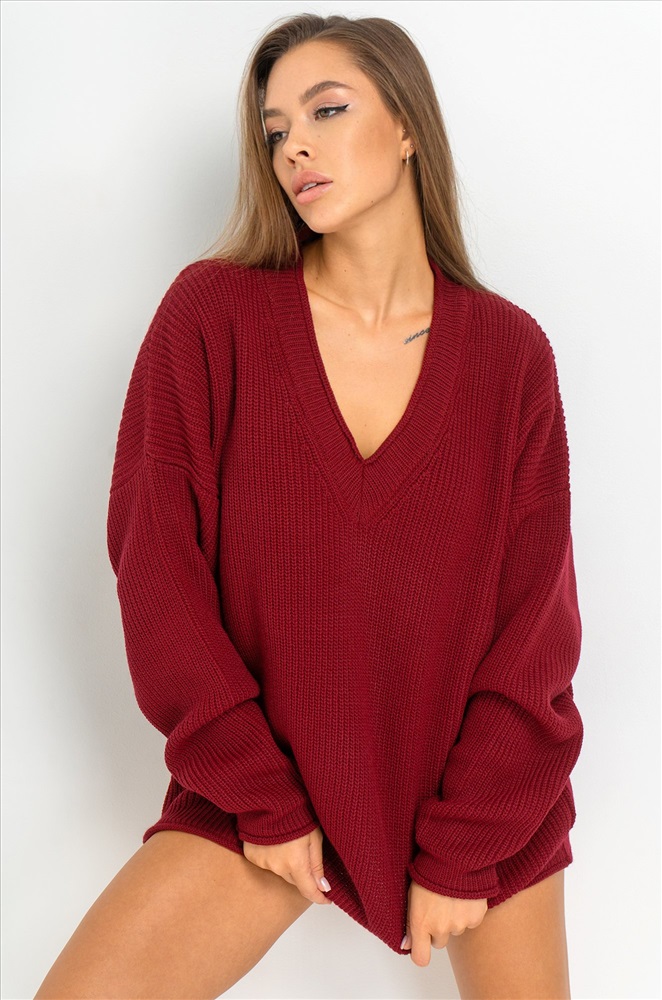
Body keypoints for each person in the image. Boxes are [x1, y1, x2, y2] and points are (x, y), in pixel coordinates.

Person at [35, 11, 584, 1000]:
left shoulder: (510, 356)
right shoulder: (213, 317)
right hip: (267, 786)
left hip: (479, 801)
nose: (293, 145)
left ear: (407, 125)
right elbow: (155, 569)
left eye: (326, 110)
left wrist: (466, 847)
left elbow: (533, 632)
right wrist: (260, 792)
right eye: (275, 128)